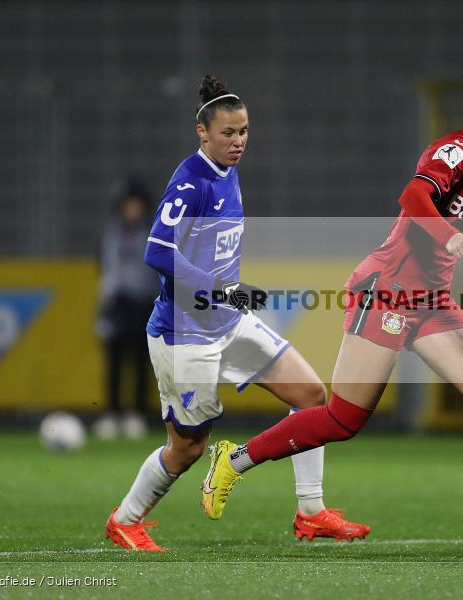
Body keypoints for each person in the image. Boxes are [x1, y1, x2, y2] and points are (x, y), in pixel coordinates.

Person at [201, 65, 463, 566]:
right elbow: (414, 196)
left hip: (431, 303)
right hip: (386, 291)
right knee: (344, 419)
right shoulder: (457, 151)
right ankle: (234, 459)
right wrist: (449, 235)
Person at [104, 75, 370, 551]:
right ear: (202, 132)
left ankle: (311, 512)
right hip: (184, 334)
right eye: (227, 133)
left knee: (311, 394)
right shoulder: (191, 181)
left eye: (244, 131)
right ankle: (125, 519)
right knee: (187, 448)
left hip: (227, 321)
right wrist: (220, 288)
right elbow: (157, 252)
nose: (238, 141)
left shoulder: (229, 171)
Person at [94, 180, 159, 440]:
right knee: (114, 360)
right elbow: (102, 267)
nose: (132, 210)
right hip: (116, 303)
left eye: (136, 205)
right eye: (128, 205)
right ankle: (111, 413)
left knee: (142, 361)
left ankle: (137, 414)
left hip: (144, 302)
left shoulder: (153, 232)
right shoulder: (109, 233)